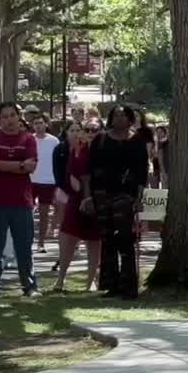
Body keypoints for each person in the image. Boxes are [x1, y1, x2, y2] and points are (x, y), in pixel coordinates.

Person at [83, 105, 149, 300]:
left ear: (130, 119)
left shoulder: (137, 141)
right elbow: (89, 170)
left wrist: (139, 198)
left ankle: (129, 285)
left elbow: (142, 172)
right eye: (116, 116)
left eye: (123, 116)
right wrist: (88, 196)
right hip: (102, 194)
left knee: (126, 239)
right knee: (107, 239)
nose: (119, 119)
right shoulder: (100, 140)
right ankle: (111, 284)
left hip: (126, 195)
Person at [0, 102, 40, 297]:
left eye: (12, 115)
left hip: (22, 200)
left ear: (19, 116)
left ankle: (29, 286)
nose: (9, 120)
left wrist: (13, 165)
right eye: (5, 116)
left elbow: (32, 166)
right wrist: (21, 165)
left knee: (24, 246)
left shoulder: (29, 138)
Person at [54, 119, 101, 292]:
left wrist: (90, 196)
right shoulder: (77, 149)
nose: (90, 133)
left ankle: (91, 281)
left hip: (97, 199)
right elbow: (70, 174)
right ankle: (60, 280)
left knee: (94, 242)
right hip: (76, 199)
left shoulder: (105, 150)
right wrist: (80, 191)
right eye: (87, 129)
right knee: (68, 239)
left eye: (94, 130)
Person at [31, 114, 60, 252]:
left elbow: (58, 161)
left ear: (46, 124)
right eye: (36, 123)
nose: (38, 125)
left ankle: (41, 243)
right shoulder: (29, 139)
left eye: (40, 123)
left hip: (48, 181)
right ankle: (27, 240)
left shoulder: (54, 141)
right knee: (27, 213)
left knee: (44, 213)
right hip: (30, 180)